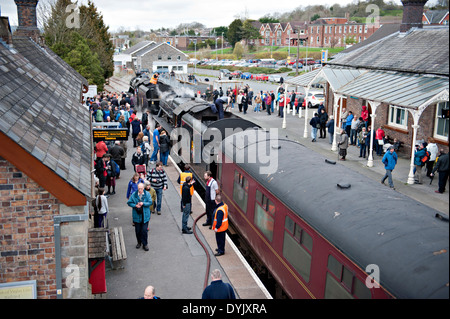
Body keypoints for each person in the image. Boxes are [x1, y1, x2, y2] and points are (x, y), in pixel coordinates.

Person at [127, 183, 152, 251]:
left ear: (143, 188)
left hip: (145, 216)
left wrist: (143, 203)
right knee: (137, 231)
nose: (140, 190)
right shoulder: (134, 195)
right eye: (139, 189)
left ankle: (145, 244)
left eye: (141, 189)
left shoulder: (147, 194)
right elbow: (129, 202)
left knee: (144, 231)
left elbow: (150, 202)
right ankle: (139, 242)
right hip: (137, 216)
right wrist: (135, 205)